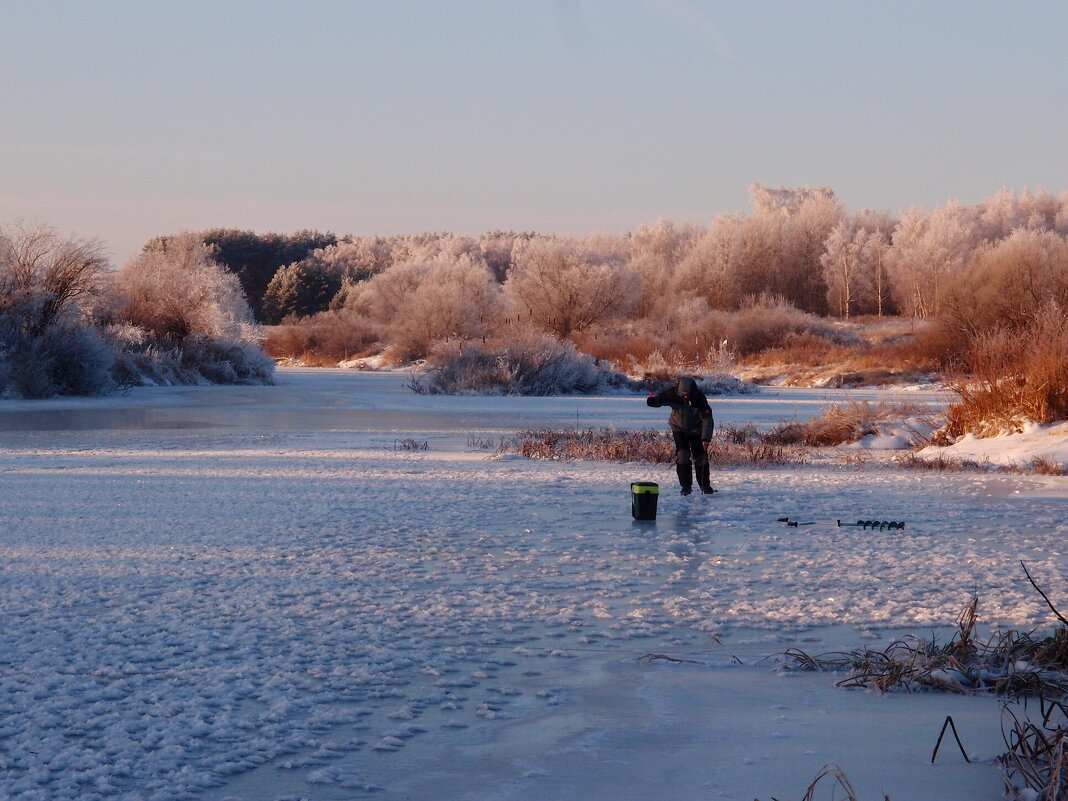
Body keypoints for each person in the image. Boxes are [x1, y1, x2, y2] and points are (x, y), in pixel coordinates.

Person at [647, 376, 715, 495]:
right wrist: (652, 401)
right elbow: (661, 399)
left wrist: (705, 439)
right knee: (683, 456)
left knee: (701, 458)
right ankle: (686, 486)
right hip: (679, 429)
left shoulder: (699, 399)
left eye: (687, 396)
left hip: (696, 431)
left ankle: (705, 485)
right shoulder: (673, 393)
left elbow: (707, 420)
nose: (685, 397)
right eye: (682, 396)